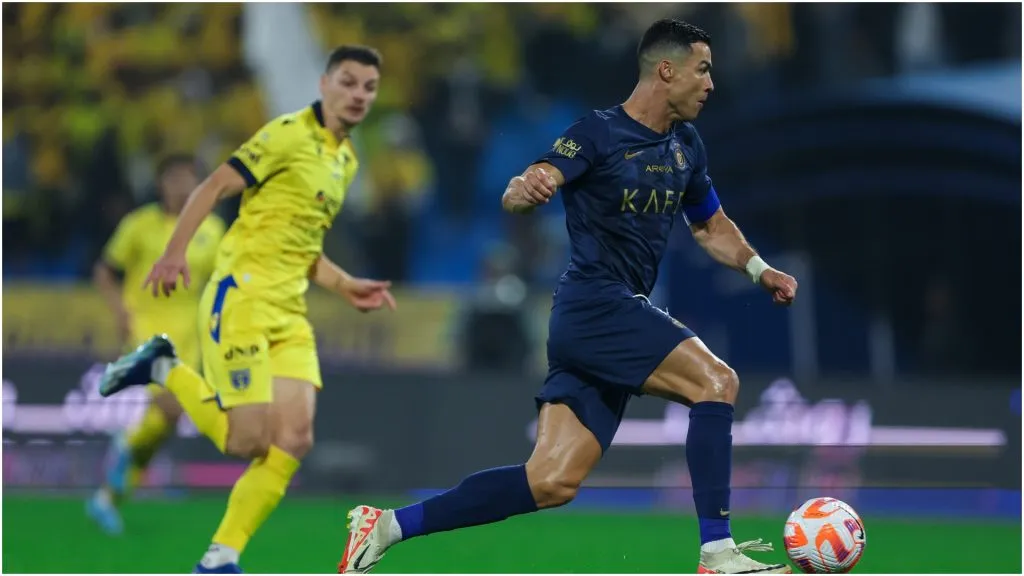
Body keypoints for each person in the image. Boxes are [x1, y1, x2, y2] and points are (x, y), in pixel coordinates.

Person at [338, 20, 798, 575]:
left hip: (606, 317)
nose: (711, 83)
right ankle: (717, 553)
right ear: (666, 70)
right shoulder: (598, 134)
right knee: (716, 382)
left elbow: (710, 224)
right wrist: (525, 189)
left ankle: (387, 525)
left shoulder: (686, 146)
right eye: (702, 69)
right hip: (596, 306)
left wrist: (757, 267)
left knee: (551, 480)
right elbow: (529, 183)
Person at [96, 45, 396, 574]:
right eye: (348, 82)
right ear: (324, 83)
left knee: (295, 439)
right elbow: (213, 186)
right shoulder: (286, 134)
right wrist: (172, 254)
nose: (358, 95)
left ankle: (221, 557)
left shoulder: (345, 160)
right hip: (242, 298)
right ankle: (161, 364)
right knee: (247, 442)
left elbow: (305, 249)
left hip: (289, 310)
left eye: (368, 88)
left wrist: (345, 284)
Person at [87, 154, 225, 535]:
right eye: (174, 178)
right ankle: (124, 450)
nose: (181, 186)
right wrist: (119, 312)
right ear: (160, 183)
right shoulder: (139, 224)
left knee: (170, 419)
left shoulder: (212, 229)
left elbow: (221, 281)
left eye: (189, 179)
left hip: (190, 332)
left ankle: (108, 496)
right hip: (146, 324)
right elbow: (105, 270)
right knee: (169, 405)